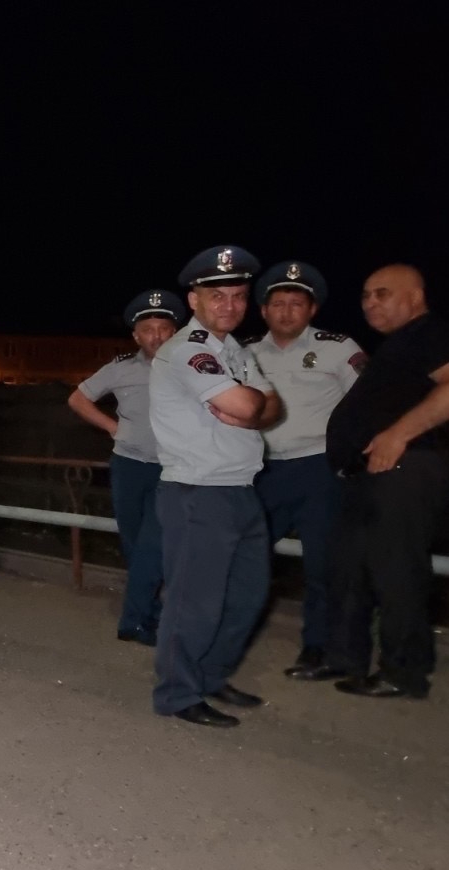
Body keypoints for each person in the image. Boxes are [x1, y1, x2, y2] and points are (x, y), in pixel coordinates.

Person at [148, 245, 283, 728]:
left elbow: (272, 407)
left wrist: (251, 408)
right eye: (218, 295)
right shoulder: (189, 350)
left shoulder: (236, 351)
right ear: (194, 300)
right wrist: (252, 407)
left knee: (248, 595)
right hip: (198, 491)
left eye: (239, 296)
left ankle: (209, 676)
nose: (230, 305)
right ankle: (178, 692)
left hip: (241, 487)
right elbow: (252, 406)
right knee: (195, 603)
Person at [315, 264, 449, 698]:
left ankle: (403, 671)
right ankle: (344, 658)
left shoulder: (431, 332)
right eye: (365, 295)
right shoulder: (401, 344)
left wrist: (398, 434)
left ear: (415, 296)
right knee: (349, 567)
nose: (370, 303)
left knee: (397, 572)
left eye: (382, 293)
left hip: (406, 468)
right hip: (369, 475)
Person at [246, 261, 364, 678]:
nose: (286, 311)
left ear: (312, 309)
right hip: (262, 471)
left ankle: (318, 647)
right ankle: (236, 631)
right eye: (278, 303)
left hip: (318, 471)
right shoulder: (244, 352)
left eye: (296, 303)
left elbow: (366, 404)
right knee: (246, 556)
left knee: (322, 566)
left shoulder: (338, 348)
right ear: (263, 310)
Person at [67, 289, 188, 646]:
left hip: (172, 469)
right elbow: (77, 398)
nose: (156, 336)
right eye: (148, 329)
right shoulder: (120, 368)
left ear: (175, 333)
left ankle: (133, 621)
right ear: (136, 336)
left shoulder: (192, 368)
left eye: (163, 329)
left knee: (154, 545)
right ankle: (151, 614)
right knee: (134, 544)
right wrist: (112, 427)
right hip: (129, 466)